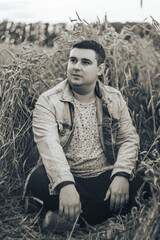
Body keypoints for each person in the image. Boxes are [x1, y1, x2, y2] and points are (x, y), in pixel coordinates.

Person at [24, 40, 144, 231]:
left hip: (104, 176)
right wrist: (65, 184)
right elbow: (48, 145)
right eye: (73, 60)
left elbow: (129, 139)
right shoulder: (48, 101)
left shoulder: (114, 98)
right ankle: (97, 214)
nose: (76, 67)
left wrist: (121, 174)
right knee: (38, 178)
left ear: (100, 69)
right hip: (67, 176)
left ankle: (69, 220)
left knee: (142, 182)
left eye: (85, 62)